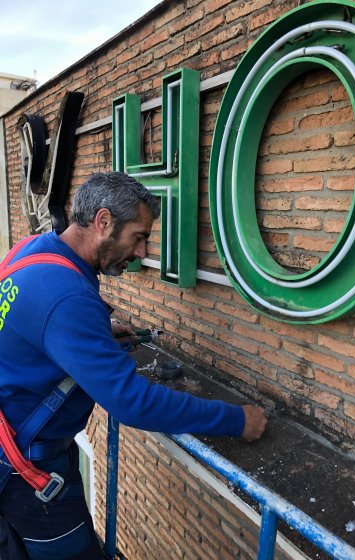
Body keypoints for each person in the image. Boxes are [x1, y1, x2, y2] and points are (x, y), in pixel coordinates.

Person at [0, 172, 267, 559]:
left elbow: (26, 327)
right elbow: (133, 403)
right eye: (139, 236)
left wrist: (91, 337)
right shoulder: (66, 298)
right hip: (31, 472)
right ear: (104, 222)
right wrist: (236, 420)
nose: (142, 252)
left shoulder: (32, 251)